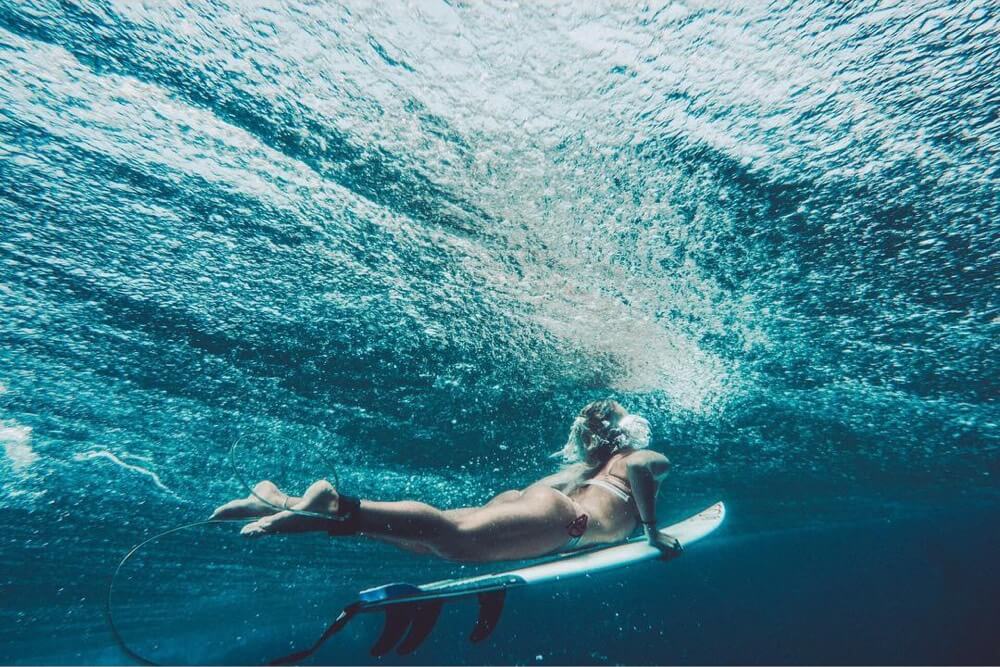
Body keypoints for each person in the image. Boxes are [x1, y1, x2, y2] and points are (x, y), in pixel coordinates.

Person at [211, 399, 681, 562]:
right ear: (630, 431)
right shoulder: (639, 456)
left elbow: (539, 494)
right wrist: (652, 531)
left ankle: (285, 504)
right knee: (450, 538)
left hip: (545, 504)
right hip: (567, 521)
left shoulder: (585, 471)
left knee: (427, 541)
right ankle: (334, 504)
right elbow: (641, 470)